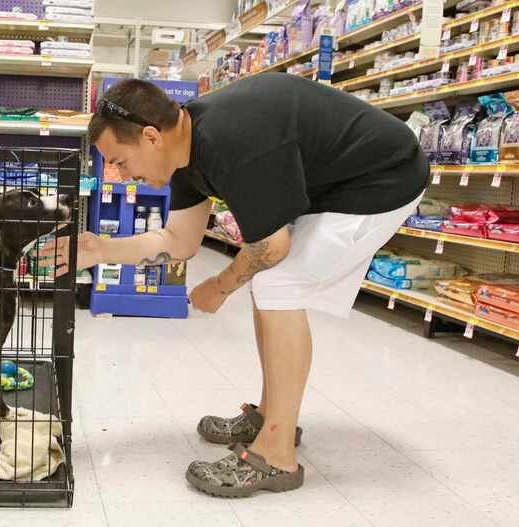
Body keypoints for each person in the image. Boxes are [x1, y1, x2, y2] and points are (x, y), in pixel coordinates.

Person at [40, 74, 429, 498]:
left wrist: (221, 286)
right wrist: (101, 249)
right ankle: (269, 417)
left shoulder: (232, 140)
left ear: (151, 137)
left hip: (383, 176)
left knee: (279, 284)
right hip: (335, 183)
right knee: (271, 284)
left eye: (119, 159)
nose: (120, 173)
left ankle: (276, 456)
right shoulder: (184, 152)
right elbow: (179, 241)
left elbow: (272, 247)